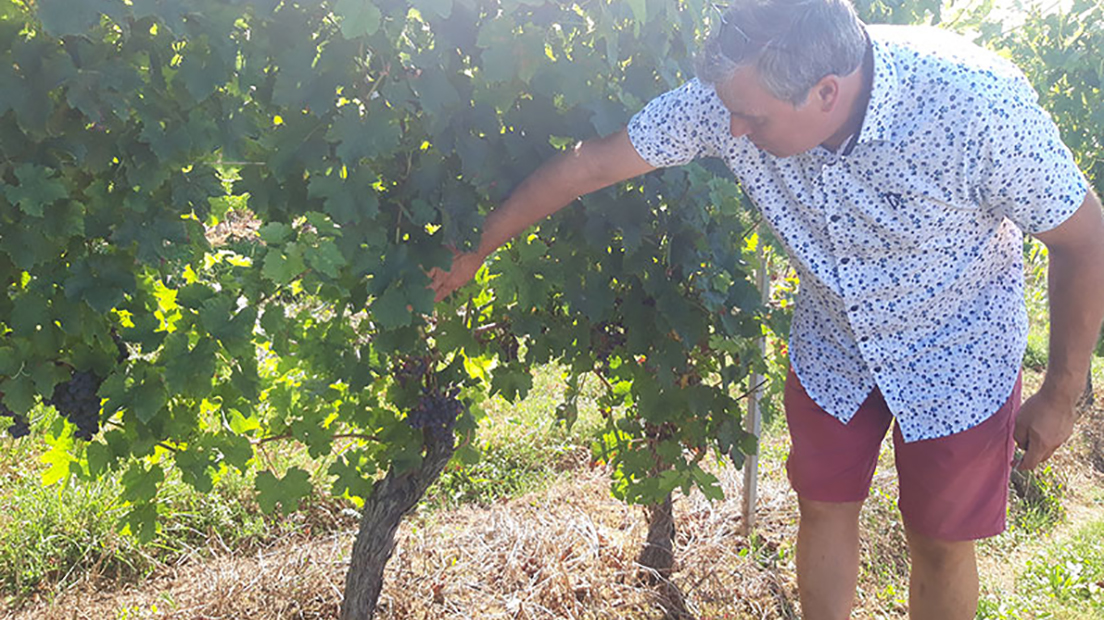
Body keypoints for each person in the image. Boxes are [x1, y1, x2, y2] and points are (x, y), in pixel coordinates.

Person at [428, 0, 1104, 617]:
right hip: (834, 348)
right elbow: (590, 167)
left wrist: (1062, 391)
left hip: (958, 353)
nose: (731, 130)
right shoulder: (732, 103)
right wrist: (478, 247)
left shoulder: (974, 107)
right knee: (823, 508)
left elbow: (1087, 240)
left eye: (752, 119)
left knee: (939, 542)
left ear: (826, 93)